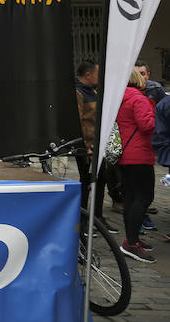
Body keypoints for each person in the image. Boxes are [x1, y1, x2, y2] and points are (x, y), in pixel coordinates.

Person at [74, 61, 119, 233]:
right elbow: (78, 123)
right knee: (87, 182)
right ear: (88, 75)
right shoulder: (78, 92)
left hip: (98, 144)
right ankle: (83, 221)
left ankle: (98, 218)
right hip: (87, 147)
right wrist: (86, 148)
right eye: (98, 74)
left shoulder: (93, 90)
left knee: (101, 180)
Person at [117, 68, 156, 263]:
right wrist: (153, 108)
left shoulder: (119, 98)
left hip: (125, 155)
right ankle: (131, 243)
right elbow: (147, 125)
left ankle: (132, 239)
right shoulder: (139, 99)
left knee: (132, 198)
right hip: (139, 154)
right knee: (143, 198)